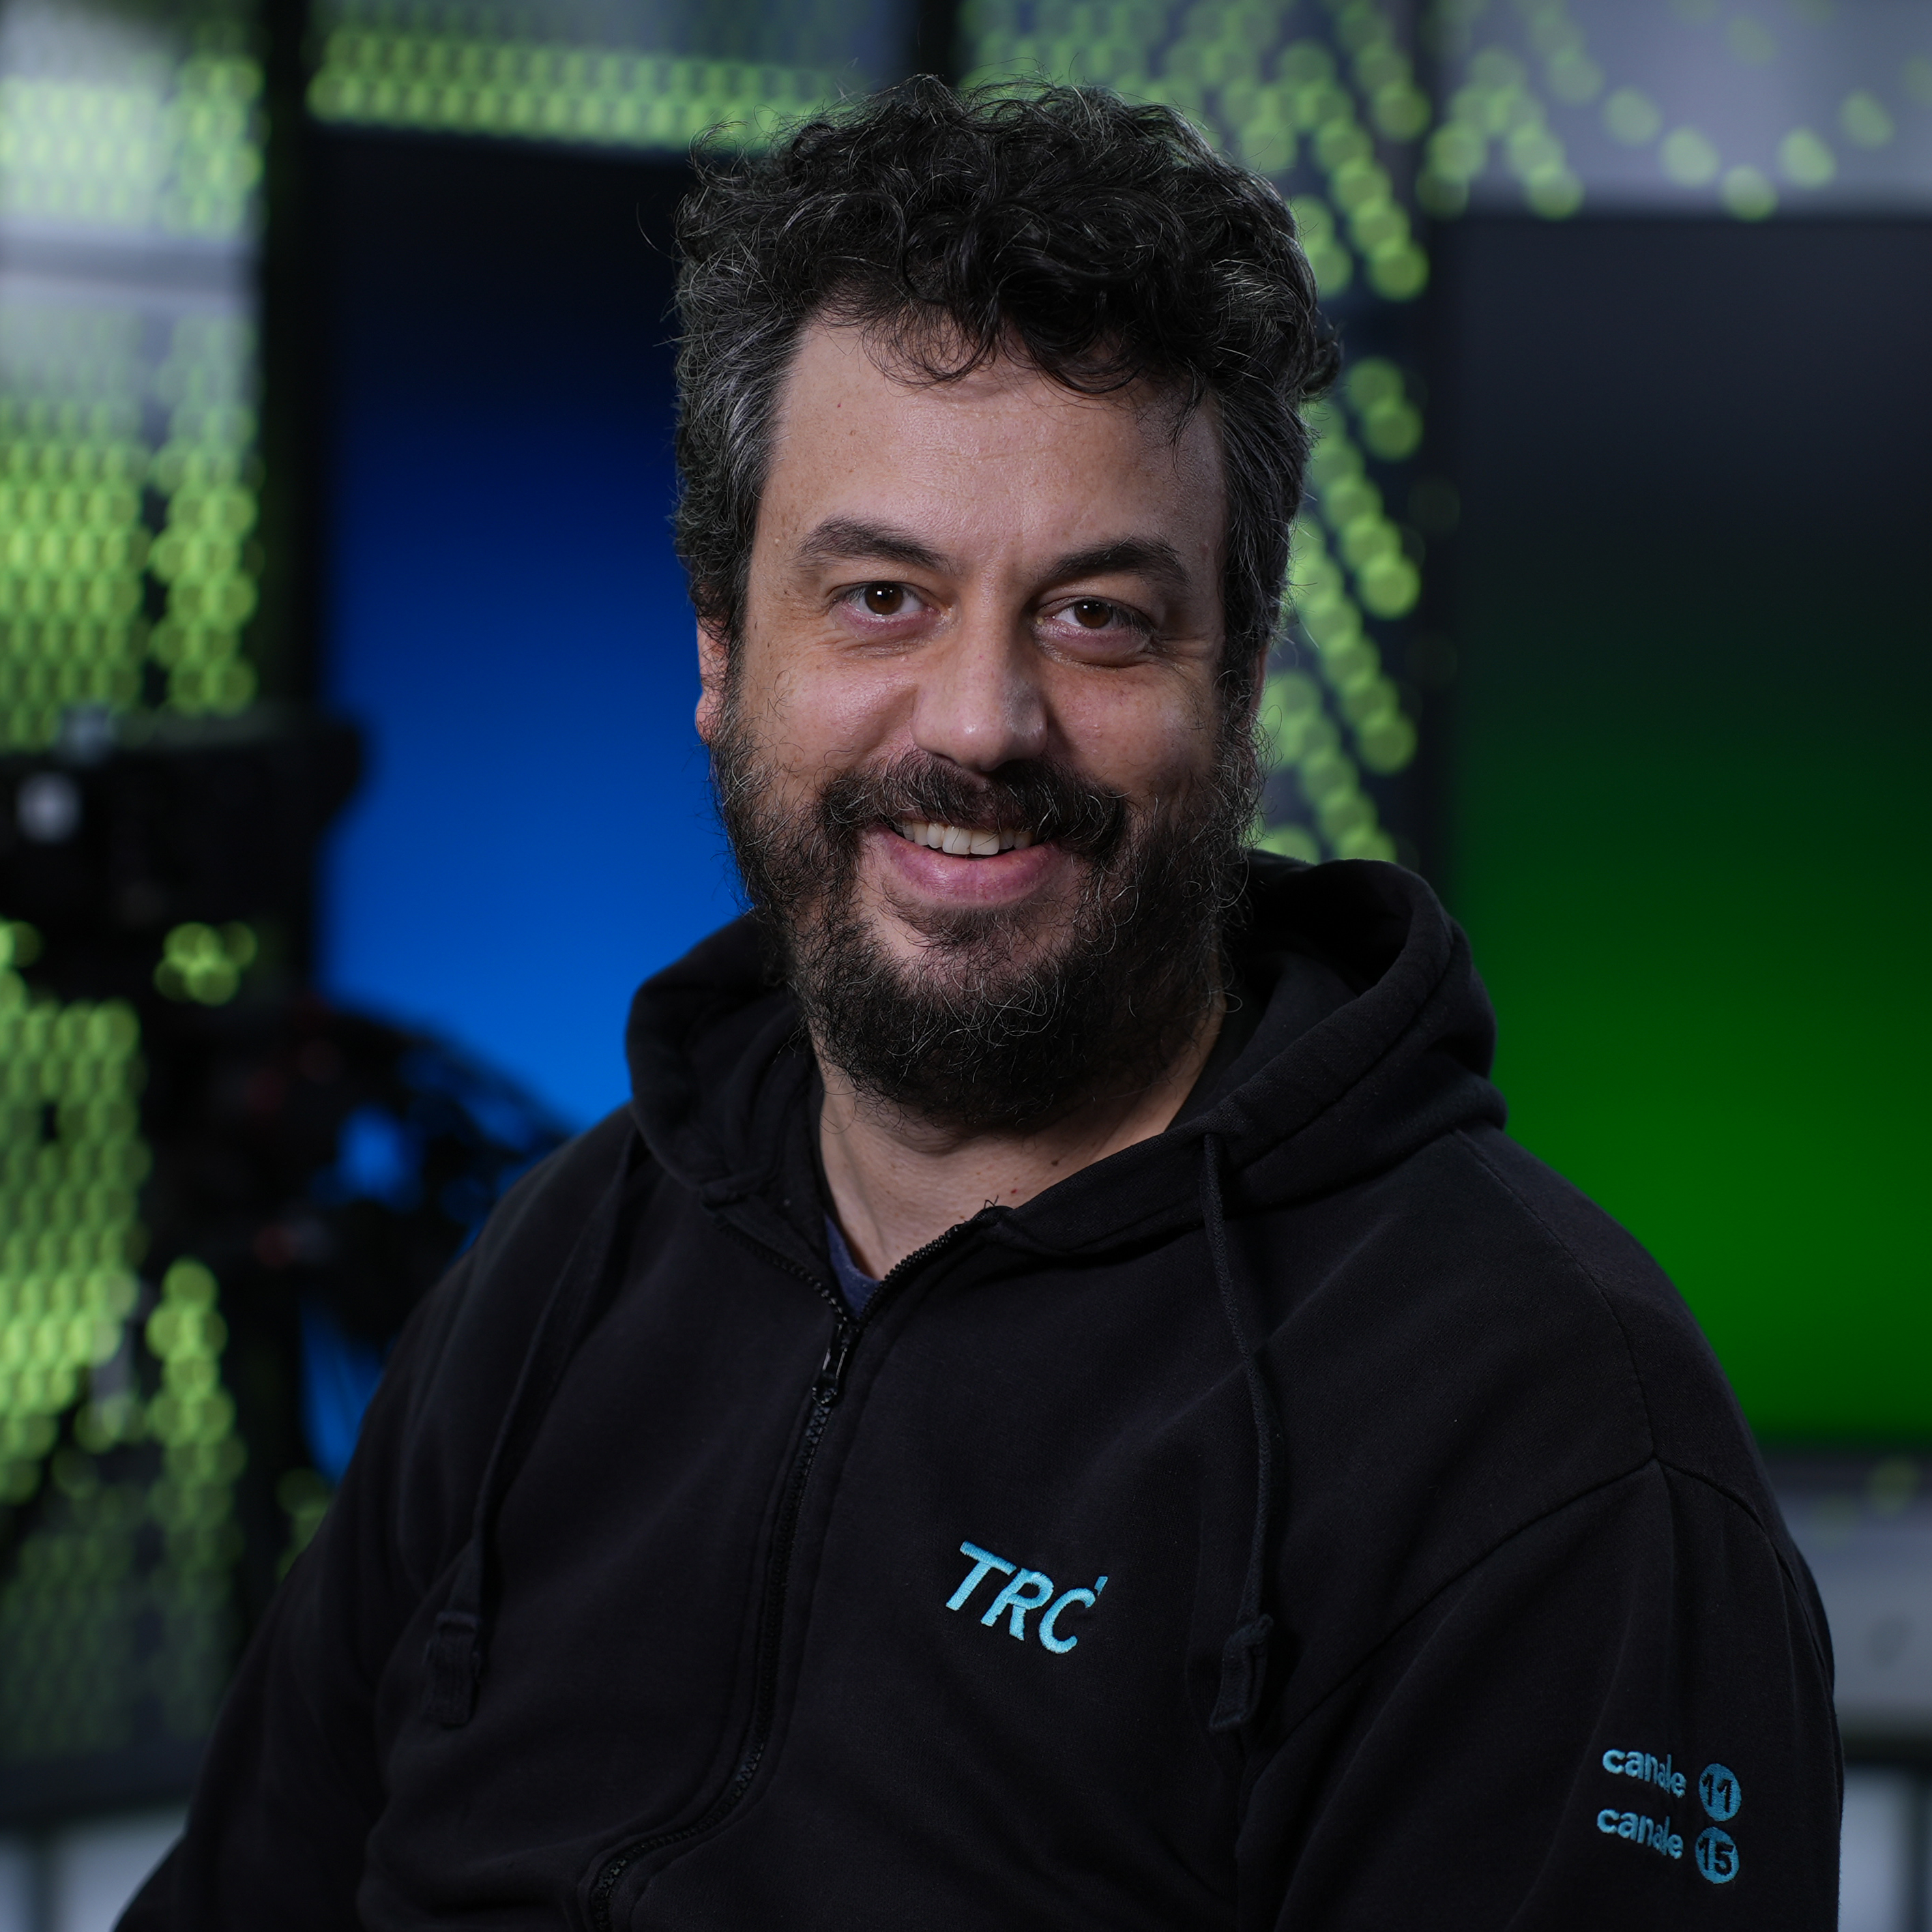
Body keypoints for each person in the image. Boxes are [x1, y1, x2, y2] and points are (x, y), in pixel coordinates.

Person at [124, 80, 1839, 1929]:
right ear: (721, 652)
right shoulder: (559, 1275)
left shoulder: (1540, 1439)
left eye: (1098, 616)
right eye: (882, 596)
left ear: (1239, 685)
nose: (979, 724)